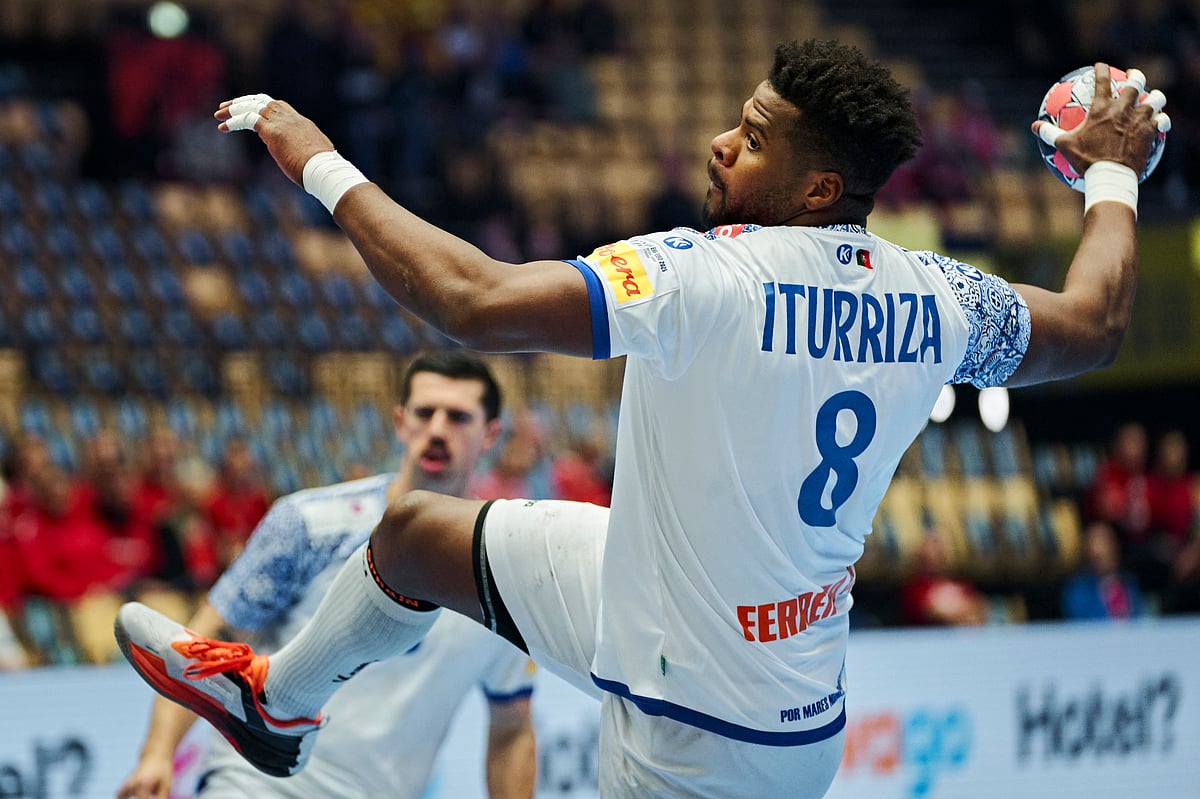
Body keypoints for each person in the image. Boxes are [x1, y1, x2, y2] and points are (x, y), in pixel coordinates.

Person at [116, 39, 1168, 799]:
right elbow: (1094, 322)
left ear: (819, 187)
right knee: (418, 534)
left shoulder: (706, 276)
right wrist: (1112, 171)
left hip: (705, 735)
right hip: (692, 622)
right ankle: (279, 709)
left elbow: (469, 301)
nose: (719, 144)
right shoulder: (943, 297)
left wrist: (316, 159)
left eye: (751, 140)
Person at [116, 351, 537, 799]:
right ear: (400, 421)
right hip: (256, 784)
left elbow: (512, 727)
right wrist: (156, 756)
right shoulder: (311, 523)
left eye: (457, 417)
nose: (437, 429)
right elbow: (199, 648)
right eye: (424, 412)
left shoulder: (499, 575)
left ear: (490, 433)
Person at [1061, 519, 1146, 620]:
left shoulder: (1130, 584)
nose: (1098, 550)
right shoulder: (1077, 591)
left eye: (1105, 542)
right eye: (1092, 543)